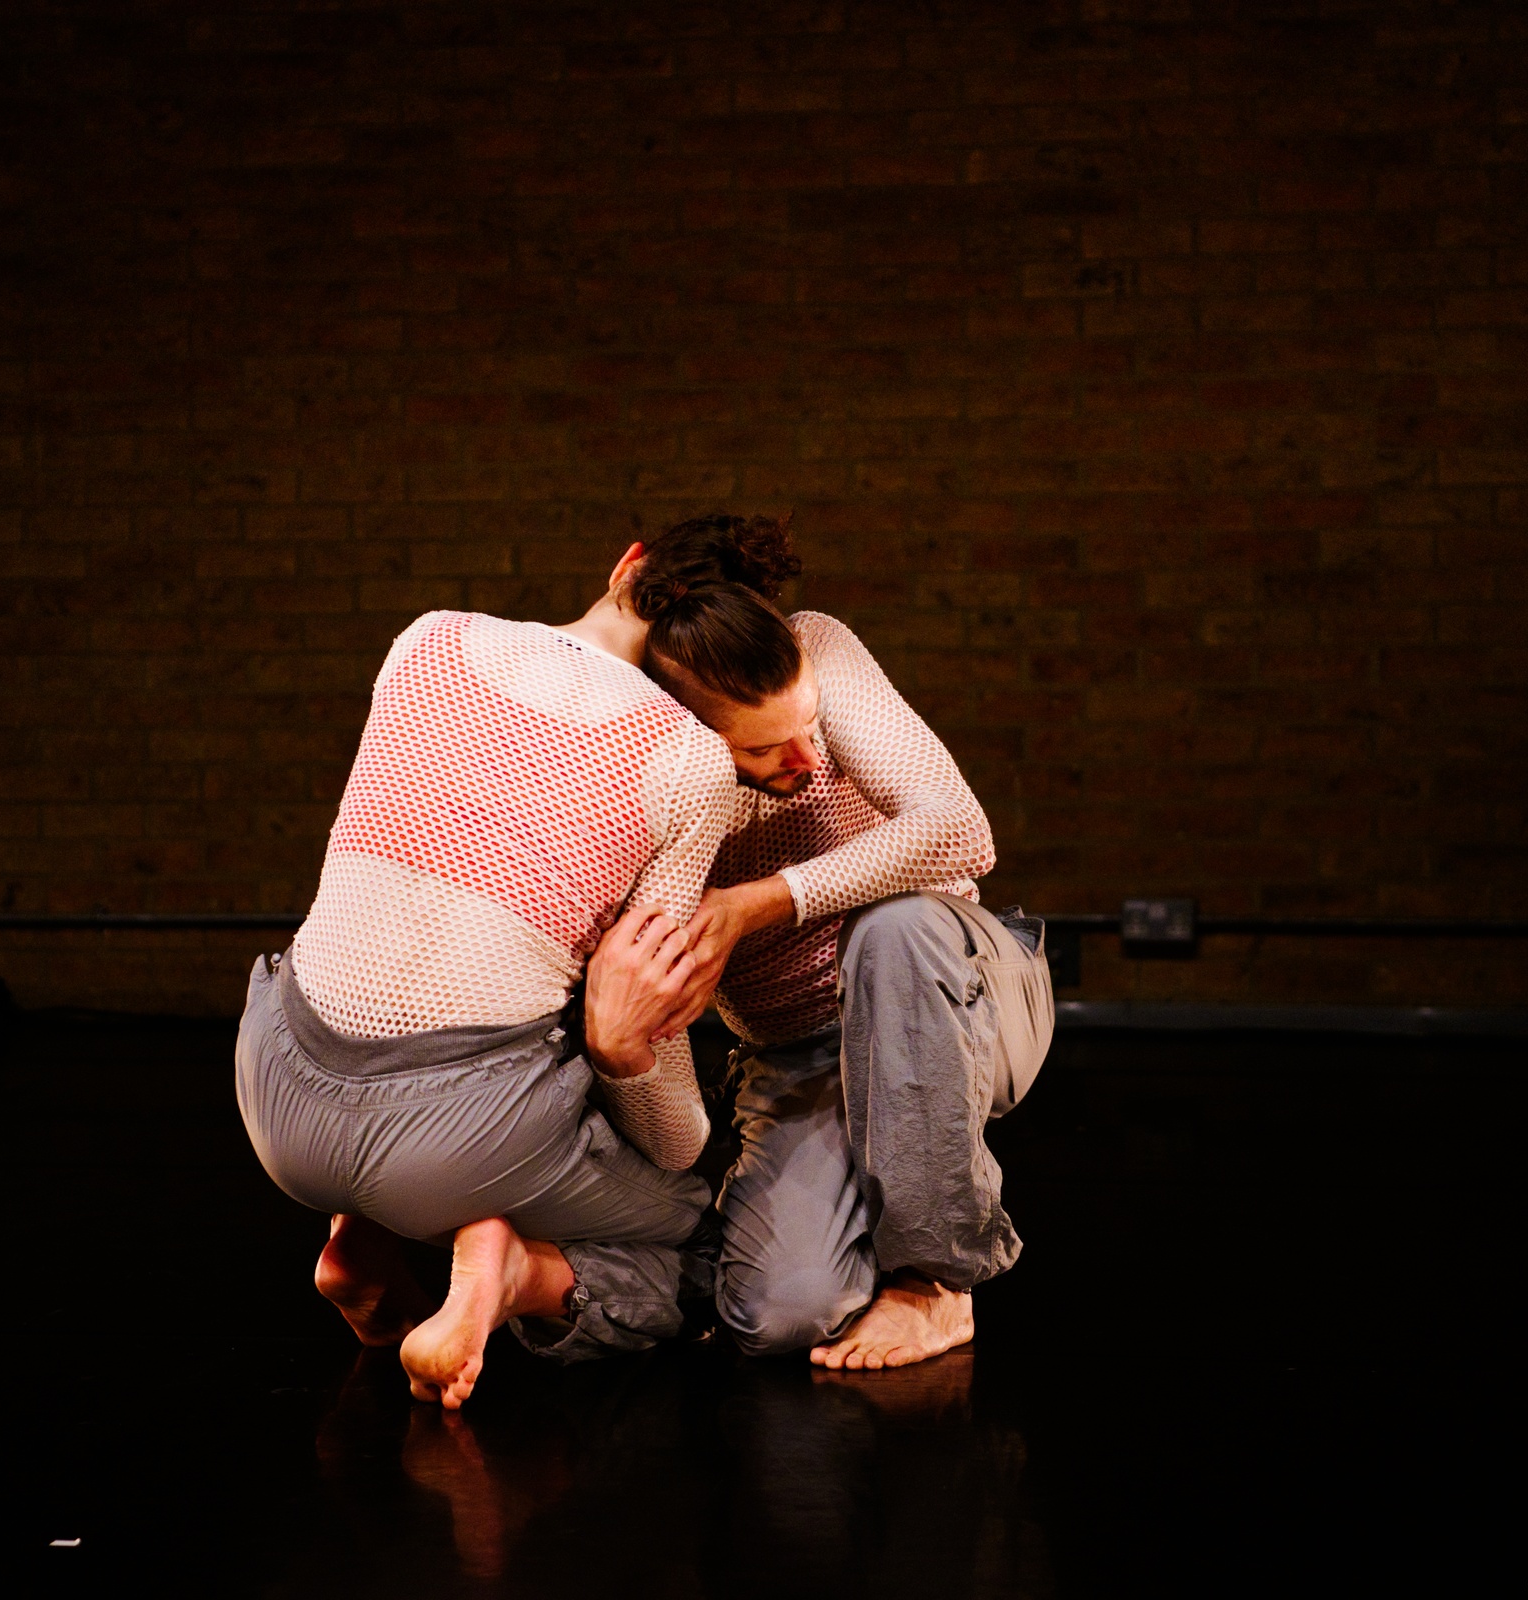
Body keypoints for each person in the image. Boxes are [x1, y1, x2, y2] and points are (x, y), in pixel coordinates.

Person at [234, 553, 802, 1408]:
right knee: (717, 1247)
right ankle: (511, 1275)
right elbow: (674, 1140)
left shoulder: (428, 638)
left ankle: (362, 1236)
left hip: (274, 1090)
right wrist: (620, 1052)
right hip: (456, 1143)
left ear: (631, 563)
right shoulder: (686, 755)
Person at [629, 514, 1056, 1372]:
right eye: (765, 747)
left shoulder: (816, 644)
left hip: (954, 987)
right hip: (800, 1052)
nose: (806, 757)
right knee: (776, 1316)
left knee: (893, 926)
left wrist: (759, 904)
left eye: (809, 725)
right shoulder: (643, 756)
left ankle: (933, 1281)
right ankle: (865, 1202)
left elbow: (959, 831)